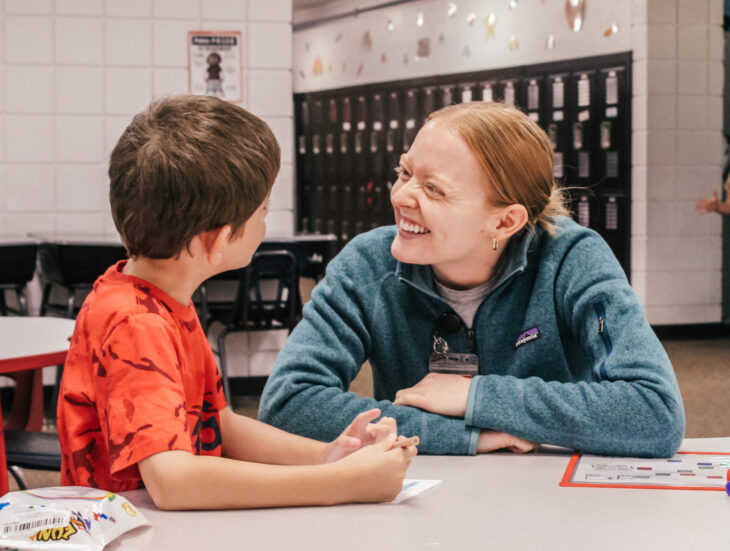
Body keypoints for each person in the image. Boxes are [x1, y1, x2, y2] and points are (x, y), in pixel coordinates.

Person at [259, 101, 685, 458]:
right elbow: (288, 404)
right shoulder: (368, 264)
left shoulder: (571, 259)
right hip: (422, 494)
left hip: (548, 500)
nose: (401, 196)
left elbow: (655, 411)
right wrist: (466, 438)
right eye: (405, 172)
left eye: (434, 189)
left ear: (504, 221)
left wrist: (476, 396)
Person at [57, 95, 417, 511]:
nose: (266, 223)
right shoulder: (138, 322)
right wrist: (338, 482)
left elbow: (216, 425)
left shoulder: (163, 298)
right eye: (263, 211)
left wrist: (330, 455)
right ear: (216, 241)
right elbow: (174, 483)